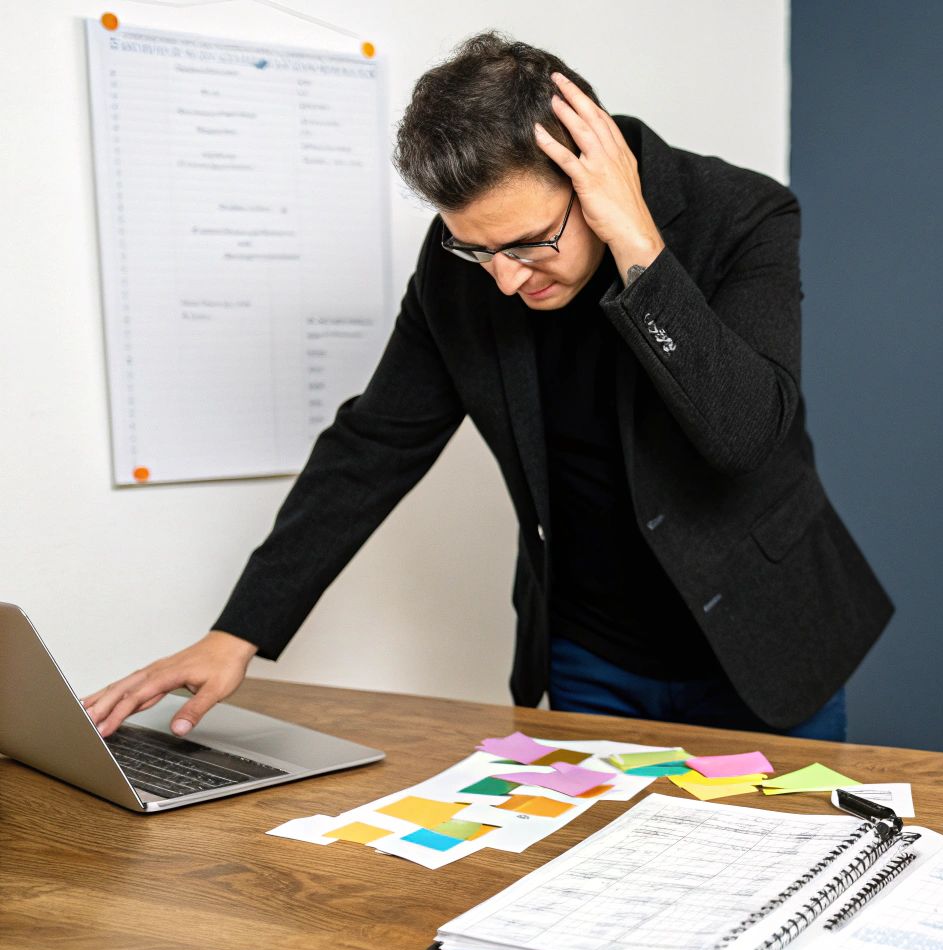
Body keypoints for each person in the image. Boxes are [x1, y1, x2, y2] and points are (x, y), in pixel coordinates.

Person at [82, 33, 891, 742]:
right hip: (589, 657)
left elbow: (748, 434)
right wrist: (238, 633)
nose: (502, 280)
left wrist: (638, 245)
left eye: (530, 245)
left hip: (766, 645)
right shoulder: (461, 267)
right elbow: (374, 446)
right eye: (478, 252)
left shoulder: (741, 213)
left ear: (594, 176)